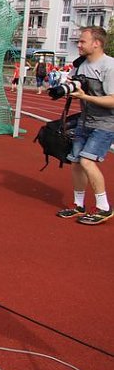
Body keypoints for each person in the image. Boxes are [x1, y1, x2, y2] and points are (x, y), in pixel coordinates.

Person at [56, 26, 114, 225]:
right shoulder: (79, 65)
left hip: (106, 123)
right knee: (76, 162)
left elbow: (113, 100)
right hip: (84, 121)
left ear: (96, 43)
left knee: (87, 161)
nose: (78, 44)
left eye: (82, 41)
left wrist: (84, 96)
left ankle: (104, 208)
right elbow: (74, 85)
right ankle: (78, 205)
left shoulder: (110, 66)